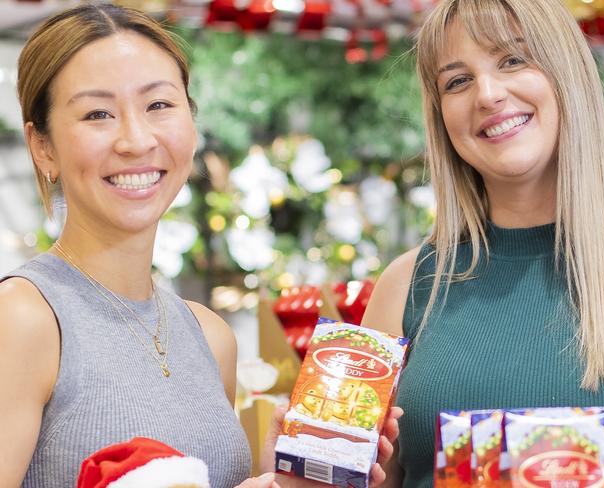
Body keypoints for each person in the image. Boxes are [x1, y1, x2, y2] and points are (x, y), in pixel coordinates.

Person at [0, 4, 399, 487]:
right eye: (97, 113)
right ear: (42, 146)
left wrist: (281, 478)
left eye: (159, 105)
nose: (135, 139)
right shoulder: (23, 318)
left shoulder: (210, 337)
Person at [361, 0, 604, 486]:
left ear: (568, 74)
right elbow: (356, 476)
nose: (488, 95)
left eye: (513, 60)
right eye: (458, 81)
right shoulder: (408, 283)